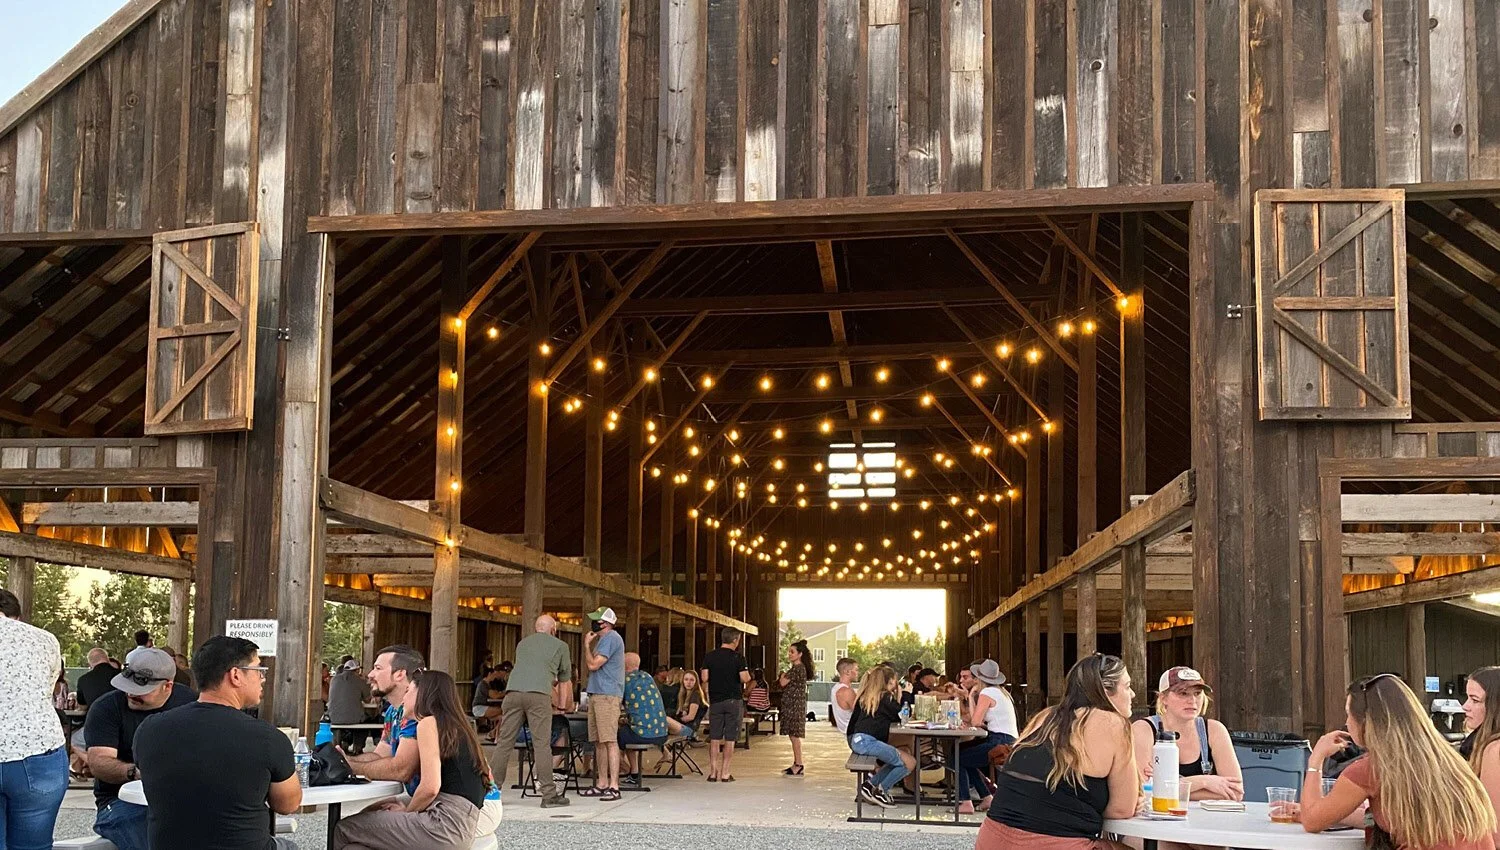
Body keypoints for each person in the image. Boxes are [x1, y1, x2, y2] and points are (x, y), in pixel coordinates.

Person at [133, 636, 301, 850]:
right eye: (259, 670)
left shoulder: (149, 730)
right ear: (236, 675)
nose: (262, 679)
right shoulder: (268, 738)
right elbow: (288, 805)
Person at [1295, 674, 1495, 849]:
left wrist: (1316, 759)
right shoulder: (1446, 759)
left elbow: (1312, 820)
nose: (1347, 722)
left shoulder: (1372, 769)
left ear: (1367, 722)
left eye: (1349, 714)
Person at [980, 654, 1141, 850]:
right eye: (1127, 686)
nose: (1133, 694)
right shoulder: (1115, 724)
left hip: (991, 839)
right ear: (1105, 691)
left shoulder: (1045, 717)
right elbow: (1123, 809)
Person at [333, 670, 491, 849]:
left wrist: (407, 813)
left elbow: (430, 788)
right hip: (461, 822)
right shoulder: (455, 726)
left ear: (423, 694)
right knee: (375, 814)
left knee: (343, 829)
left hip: (444, 823)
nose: (404, 698)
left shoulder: (428, 723)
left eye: (408, 691)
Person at [84, 648, 196, 850]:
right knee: (149, 832)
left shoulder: (190, 703)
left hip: (181, 798)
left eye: (140, 689)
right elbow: (98, 762)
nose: (130, 693)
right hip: (120, 800)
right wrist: (136, 773)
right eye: (127, 686)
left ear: (167, 686)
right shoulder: (106, 707)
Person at [0, 588, 69, 850]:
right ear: (16, 616)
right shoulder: (44, 639)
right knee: (34, 845)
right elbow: (48, 687)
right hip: (38, 751)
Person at [485, 614, 573, 808]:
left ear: (536, 628)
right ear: (553, 629)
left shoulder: (522, 644)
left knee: (504, 743)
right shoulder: (560, 646)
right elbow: (564, 679)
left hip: (513, 693)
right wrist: (562, 706)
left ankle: (491, 790)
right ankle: (548, 794)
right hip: (539, 695)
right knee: (541, 745)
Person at [1130, 666, 1243, 804]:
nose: (1192, 700)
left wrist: (1167, 786)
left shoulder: (1214, 730)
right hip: (1159, 814)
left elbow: (1235, 792)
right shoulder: (1143, 729)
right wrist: (1204, 781)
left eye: (1197, 693)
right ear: (1163, 698)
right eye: (1183, 693)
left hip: (1207, 817)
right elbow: (1143, 790)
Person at [345, 645, 425, 785]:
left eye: (378, 668)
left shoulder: (417, 710)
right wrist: (344, 760)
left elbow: (402, 770)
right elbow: (380, 755)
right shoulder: (393, 711)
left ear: (399, 674)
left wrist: (350, 767)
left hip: (439, 797)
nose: (370, 674)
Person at [956, 659, 1019, 814]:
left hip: (999, 742)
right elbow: (983, 722)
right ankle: (986, 797)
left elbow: (975, 721)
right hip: (1007, 739)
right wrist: (972, 697)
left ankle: (966, 802)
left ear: (979, 678)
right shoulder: (1002, 692)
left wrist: (971, 697)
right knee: (962, 752)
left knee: (959, 757)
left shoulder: (987, 693)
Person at [846, 665, 915, 808]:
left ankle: (870, 786)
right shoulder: (885, 697)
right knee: (907, 762)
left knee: (907, 760)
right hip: (867, 741)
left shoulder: (871, 696)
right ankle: (881, 790)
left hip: (860, 740)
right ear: (890, 681)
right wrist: (906, 695)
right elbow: (903, 715)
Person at [581, 606, 626, 800]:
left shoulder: (611, 638)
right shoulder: (603, 640)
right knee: (599, 741)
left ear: (605, 623)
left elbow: (593, 665)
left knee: (609, 740)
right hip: (597, 693)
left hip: (607, 694)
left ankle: (614, 785)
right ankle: (602, 782)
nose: (593, 624)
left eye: (597, 620)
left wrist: (586, 645)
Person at [619, 652, 686, 780]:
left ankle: (631, 772)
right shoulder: (647, 677)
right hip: (662, 734)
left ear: (624, 665)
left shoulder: (624, 680)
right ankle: (631, 769)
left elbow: (616, 704)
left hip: (643, 735)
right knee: (635, 728)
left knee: (620, 735)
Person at [701, 626, 751, 782]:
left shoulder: (710, 656)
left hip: (715, 701)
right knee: (730, 737)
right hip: (733, 700)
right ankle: (725, 773)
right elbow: (745, 678)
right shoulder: (738, 658)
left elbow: (704, 677)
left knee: (714, 737)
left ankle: (713, 772)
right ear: (735, 640)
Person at [1463, 666, 1500, 838]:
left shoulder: (1495, 750)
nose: (1465, 706)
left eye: (1475, 700)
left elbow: (1495, 830)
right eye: (1467, 698)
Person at [778, 639, 813, 776]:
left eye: (792, 652)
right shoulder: (797, 668)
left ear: (800, 654)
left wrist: (782, 675)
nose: (789, 654)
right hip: (793, 705)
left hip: (794, 706)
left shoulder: (798, 668)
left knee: (794, 735)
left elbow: (782, 682)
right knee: (793, 735)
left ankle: (798, 764)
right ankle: (796, 762)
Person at [329, 659, 374, 752]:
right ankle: (358, 748)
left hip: (334, 718)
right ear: (357, 670)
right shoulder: (360, 680)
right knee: (367, 720)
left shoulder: (334, 680)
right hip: (354, 718)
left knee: (344, 721)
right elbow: (368, 699)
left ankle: (341, 744)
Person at [469, 667, 505, 734]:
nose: (495, 676)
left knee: (503, 717)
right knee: (503, 710)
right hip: (479, 708)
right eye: (494, 674)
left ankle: (494, 734)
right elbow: (495, 696)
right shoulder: (483, 684)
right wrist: (506, 692)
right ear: (489, 674)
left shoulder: (488, 684)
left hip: (484, 707)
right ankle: (493, 734)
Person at [830, 657, 860, 734]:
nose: (858, 673)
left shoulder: (835, 688)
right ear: (847, 672)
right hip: (854, 732)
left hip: (846, 731)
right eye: (856, 670)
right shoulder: (847, 692)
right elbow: (860, 713)